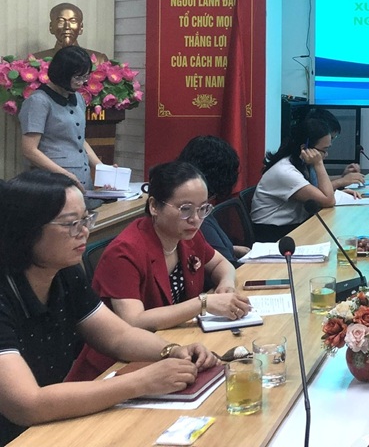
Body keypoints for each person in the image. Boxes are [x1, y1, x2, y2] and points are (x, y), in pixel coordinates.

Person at [0, 171, 216, 446]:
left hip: (49, 425)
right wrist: (140, 382)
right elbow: (26, 404)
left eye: (86, 219)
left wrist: (172, 350)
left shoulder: (64, 272)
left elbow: (118, 336)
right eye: (71, 224)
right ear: (27, 230)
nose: (84, 231)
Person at [68, 161, 251, 380]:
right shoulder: (125, 251)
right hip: (118, 366)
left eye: (203, 209)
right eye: (185, 209)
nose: (195, 219)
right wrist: (204, 303)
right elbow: (134, 321)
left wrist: (226, 286)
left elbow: (223, 265)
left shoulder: (187, 235)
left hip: (172, 347)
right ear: (154, 206)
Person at [18, 45, 102, 191]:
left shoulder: (78, 98)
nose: (81, 82)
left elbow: (79, 140)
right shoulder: (38, 101)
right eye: (77, 77)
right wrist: (65, 175)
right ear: (62, 73)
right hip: (53, 182)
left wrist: (101, 168)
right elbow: (29, 150)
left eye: (85, 77)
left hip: (82, 178)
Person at [251, 117, 336, 242]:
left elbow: (320, 191)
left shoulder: (299, 163)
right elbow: (328, 200)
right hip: (273, 234)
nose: (326, 154)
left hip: (291, 227)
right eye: (324, 150)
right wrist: (318, 163)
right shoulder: (286, 172)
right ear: (305, 148)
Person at [177, 135, 251, 276]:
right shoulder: (197, 219)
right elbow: (227, 264)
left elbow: (208, 249)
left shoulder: (203, 210)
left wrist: (232, 248)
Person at [302, 107, 365, 191]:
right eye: (331, 138)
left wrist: (343, 177)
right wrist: (342, 181)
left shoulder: (312, 158)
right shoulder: (295, 166)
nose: (330, 143)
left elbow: (320, 181)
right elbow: (315, 192)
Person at [32, 3, 108, 63]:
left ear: (81, 27)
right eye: (61, 21)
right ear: (51, 27)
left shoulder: (98, 60)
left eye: (73, 21)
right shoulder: (36, 60)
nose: (67, 27)